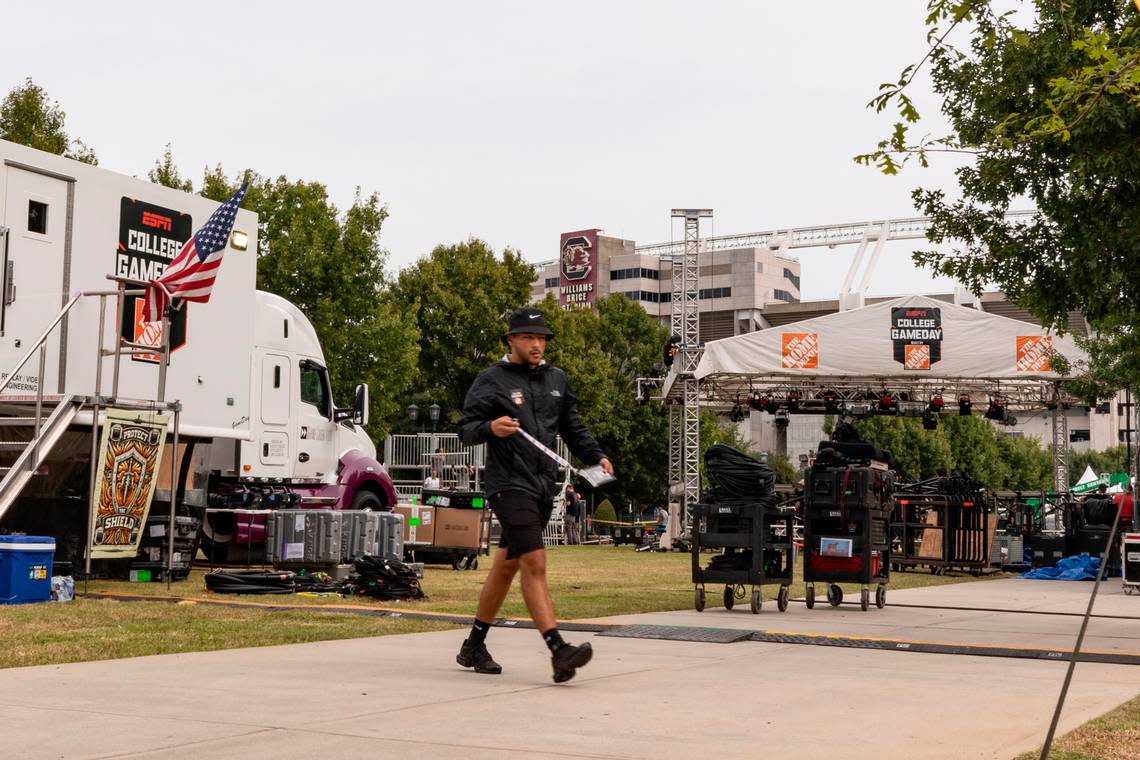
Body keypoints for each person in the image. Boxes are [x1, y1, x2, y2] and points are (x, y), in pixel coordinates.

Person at [456, 307, 613, 683]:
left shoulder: (557, 379)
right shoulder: (491, 379)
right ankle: (558, 649)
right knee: (535, 563)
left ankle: (473, 645)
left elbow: (573, 427)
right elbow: (466, 429)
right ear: (510, 340)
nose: (536, 344)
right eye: (528, 337)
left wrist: (597, 457)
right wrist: (491, 427)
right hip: (508, 485)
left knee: (507, 565)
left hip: (543, 484)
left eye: (541, 338)